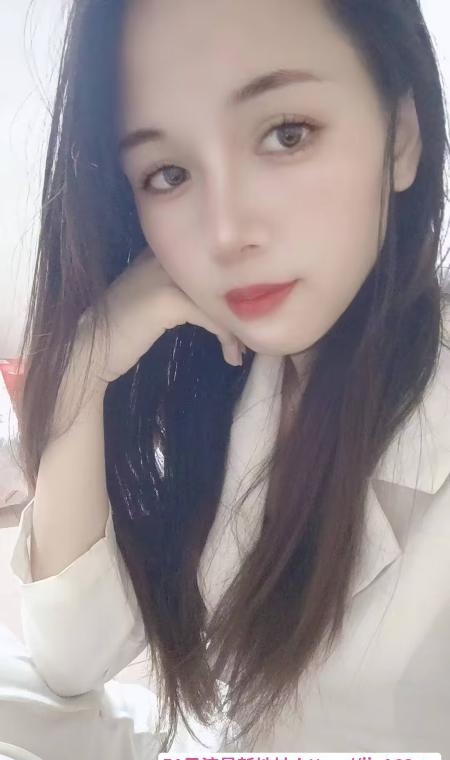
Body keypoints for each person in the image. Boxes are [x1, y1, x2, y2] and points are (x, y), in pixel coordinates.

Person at [6, 0, 450, 754]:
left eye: (287, 133)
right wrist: (85, 368)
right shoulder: (224, 376)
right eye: (169, 173)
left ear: (401, 135)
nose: (224, 232)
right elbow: (72, 658)